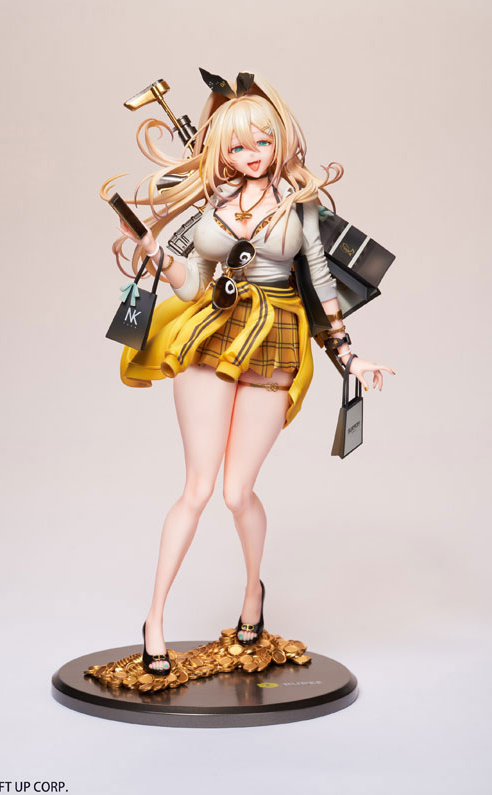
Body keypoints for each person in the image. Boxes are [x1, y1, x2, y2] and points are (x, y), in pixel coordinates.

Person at [103, 70, 395, 674]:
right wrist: (157, 255)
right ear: (221, 149)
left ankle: (253, 594)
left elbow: (320, 281)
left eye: (263, 141)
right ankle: (154, 620)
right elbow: (193, 284)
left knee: (237, 492)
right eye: (238, 145)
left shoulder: (298, 203)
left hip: (276, 337)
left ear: (279, 139)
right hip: (212, 331)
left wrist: (349, 355)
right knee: (197, 489)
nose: (253, 154)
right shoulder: (211, 204)